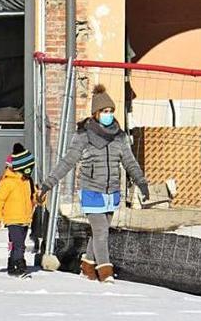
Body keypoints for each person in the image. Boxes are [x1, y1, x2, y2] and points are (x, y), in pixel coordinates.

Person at [39, 84, 150, 283]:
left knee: (100, 231)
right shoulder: (83, 136)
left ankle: (87, 265)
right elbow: (67, 162)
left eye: (111, 111)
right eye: (104, 111)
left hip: (112, 191)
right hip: (91, 191)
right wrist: (48, 184)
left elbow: (129, 160)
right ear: (96, 113)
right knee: (101, 231)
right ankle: (105, 272)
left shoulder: (119, 136)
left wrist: (141, 181)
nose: (108, 115)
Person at [0, 143, 37, 277]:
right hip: (13, 219)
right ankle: (19, 265)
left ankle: (12, 264)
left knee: (17, 243)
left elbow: (32, 197)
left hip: (25, 218)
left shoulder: (27, 181)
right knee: (19, 245)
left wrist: (40, 197)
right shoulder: (8, 182)